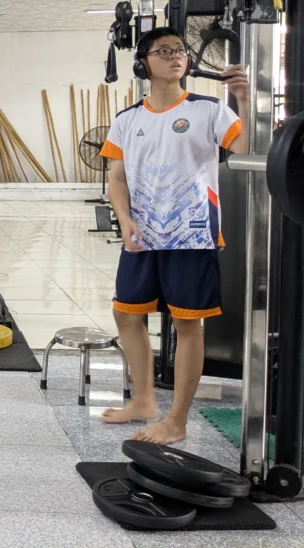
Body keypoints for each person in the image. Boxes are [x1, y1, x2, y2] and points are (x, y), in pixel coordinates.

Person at [100, 26, 249, 444]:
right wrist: (125, 219)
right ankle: (144, 399)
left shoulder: (210, 110)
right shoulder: (127, 120)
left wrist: (245, 100)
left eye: (180, 50)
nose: (175, 56)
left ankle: (177, 422)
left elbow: (248, 149)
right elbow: (116, 178)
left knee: (188, 327)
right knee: (126, 313)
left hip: (192, 236)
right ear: (143, 63)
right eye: (163, 51)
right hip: (143, 237)